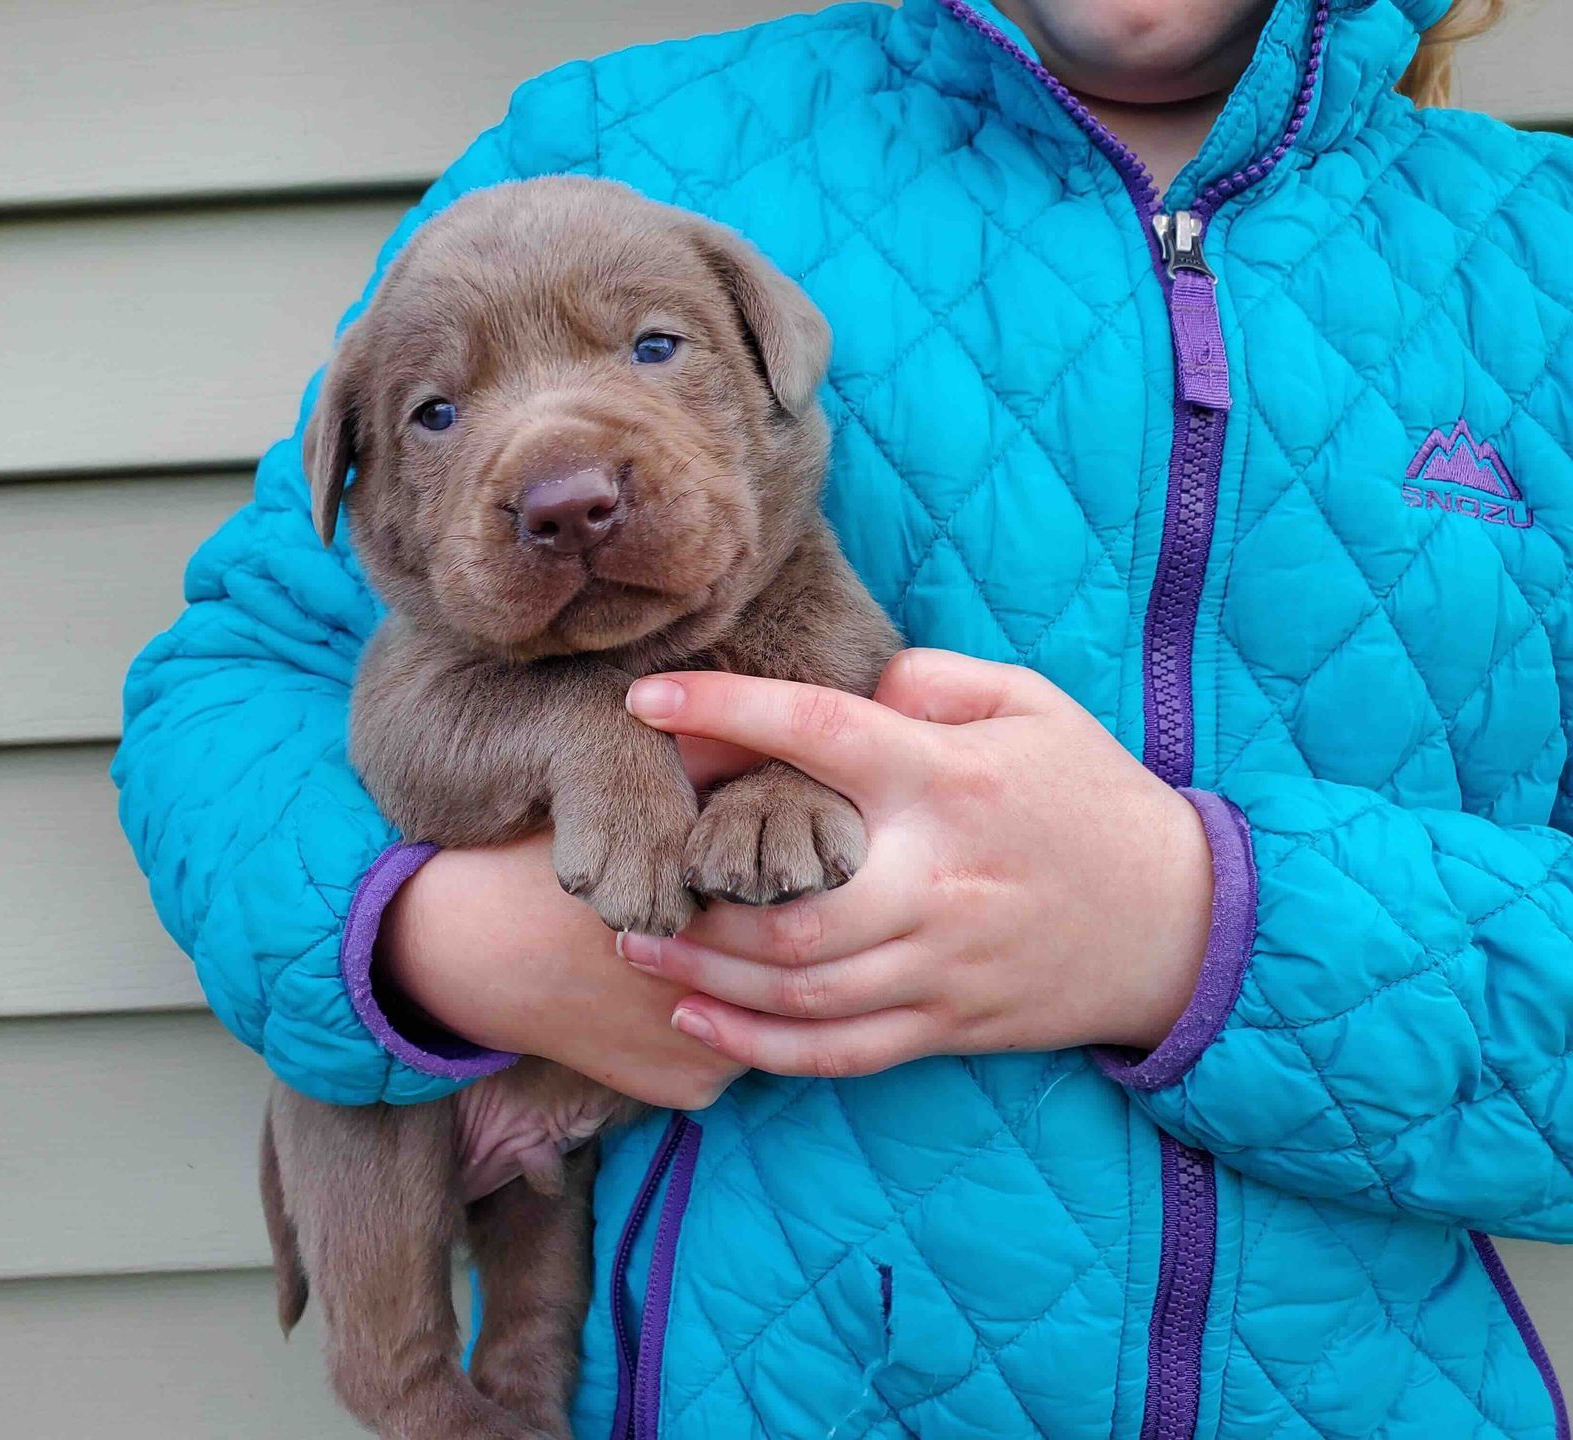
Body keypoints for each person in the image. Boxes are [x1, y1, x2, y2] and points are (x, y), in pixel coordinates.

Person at [113, 0, 1573, 1433]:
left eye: (650, 350)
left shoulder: (1541, 261)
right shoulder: (620, 146)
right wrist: (432, 945)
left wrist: (1199, 933)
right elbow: (234, 683)